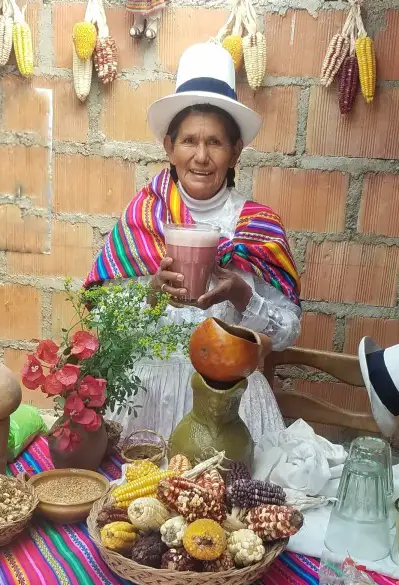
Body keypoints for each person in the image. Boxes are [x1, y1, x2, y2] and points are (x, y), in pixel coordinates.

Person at [84, 42, 301, 443]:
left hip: (231, 404)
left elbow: (287, 332)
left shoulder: (259, 227)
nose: (201, 156)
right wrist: (149, 295)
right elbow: (100, 323)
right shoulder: (142, 218)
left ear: (235, 152)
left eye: (215, 143)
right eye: (189, 141)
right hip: (147, 400)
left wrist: (242, 298)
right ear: (169, 147)